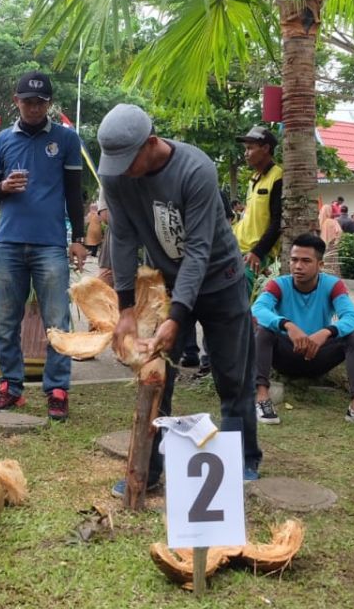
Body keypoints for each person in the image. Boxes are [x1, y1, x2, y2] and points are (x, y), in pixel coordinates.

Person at [97, 103, 261, 497]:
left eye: (128, 160)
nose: (122, 170)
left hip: (221, 281)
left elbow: (199, 250)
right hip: (166, 285)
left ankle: (241, 461)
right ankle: (149, 470)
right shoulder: (116, 175)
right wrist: (126, 310)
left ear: (151, 142)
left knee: (232, 377)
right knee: (157, 377)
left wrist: (178, 316)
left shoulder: (196, 169)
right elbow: (121, 239)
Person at [0, 72, 86, 421]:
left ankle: (57, 389)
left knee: (57, 320)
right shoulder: (1, 142)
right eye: (28, 101)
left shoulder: (66, 140)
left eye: (41, 102)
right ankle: (11, 386)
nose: (34, 107)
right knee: (7, 322)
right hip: (9, 241)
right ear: (16, 100)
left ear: (49, 104)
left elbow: (74, 192)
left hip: (50, 244)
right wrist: (4, 187)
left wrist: (78, 239)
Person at [251, 233, 354, 430]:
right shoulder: (279, 284)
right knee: (263, 331)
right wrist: (287, 325)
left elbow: (352, 317)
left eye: (306, 261)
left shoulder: (332, 285)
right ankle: (262, 399)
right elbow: (258, 309)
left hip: (319, 356)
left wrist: (326, 332)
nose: (298, 266)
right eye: (294, 260)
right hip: (285, 355)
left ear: (320, 264)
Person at [233, 125, 283, 290]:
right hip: (239, 248)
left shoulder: (277, 177)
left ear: (266, 148)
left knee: (241, 300)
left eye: (250, 148)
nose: (246, 153)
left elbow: (278, 222)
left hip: (253, 253)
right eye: (245, 149)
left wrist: (259, 252)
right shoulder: (254, 178)